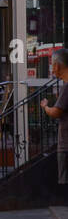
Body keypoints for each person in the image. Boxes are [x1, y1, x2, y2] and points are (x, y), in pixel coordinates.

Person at [40, 48, 68, 186]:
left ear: (57, 65)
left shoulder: (66, 87)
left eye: (52, 64)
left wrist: (45, 107)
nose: (52, 68)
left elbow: (56, 112)